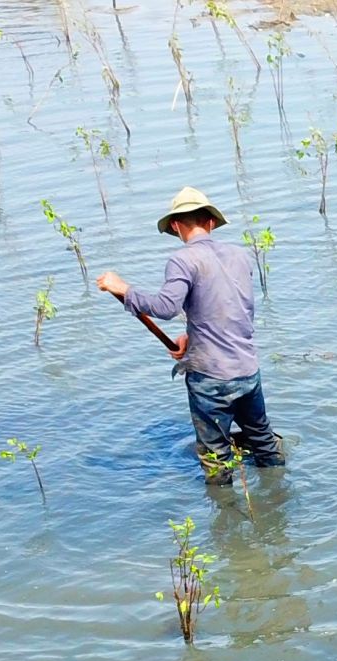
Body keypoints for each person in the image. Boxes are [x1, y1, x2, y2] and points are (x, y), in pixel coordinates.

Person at [96, 186, 285, 483]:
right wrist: (192, 337)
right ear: (210, 222)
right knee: (264, 443)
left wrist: (124, 289)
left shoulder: (183, 259)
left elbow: (166, 306)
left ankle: (226, 520)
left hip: (211, 379)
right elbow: (231, 312)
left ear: (175, 225)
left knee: (216, 459)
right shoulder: (241, 256)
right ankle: (279, 501)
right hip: (248, 371)